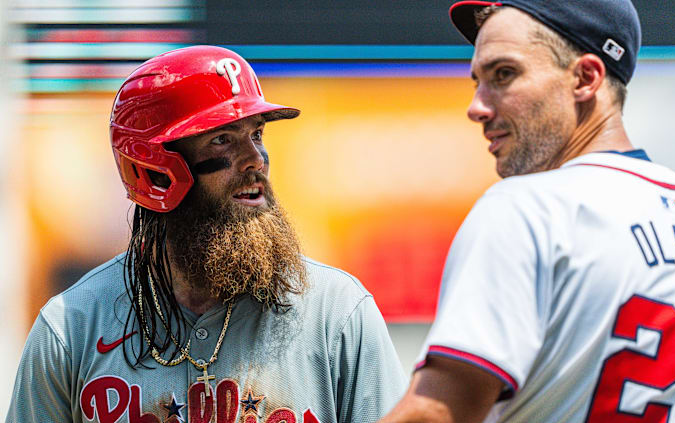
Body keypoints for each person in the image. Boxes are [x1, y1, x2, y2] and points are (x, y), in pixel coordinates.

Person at [380, 1, 675, 422]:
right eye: (477, 81)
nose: (477, 107)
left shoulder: (530, 209)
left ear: (586, 77)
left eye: (503, 75)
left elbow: (437, 411)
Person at [8, 45, 406, 423]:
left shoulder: (336, 314)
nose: (256, 161)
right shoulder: (71, 329)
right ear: (155, 169)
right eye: (222, 139)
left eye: (256, 135)